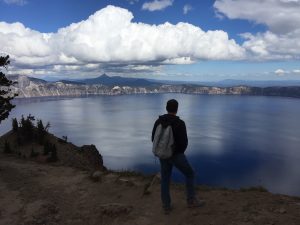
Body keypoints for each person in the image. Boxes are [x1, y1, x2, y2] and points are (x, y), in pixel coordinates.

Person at [151, 99, 205, 214]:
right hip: (176, 155)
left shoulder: (158, 121)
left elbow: (153, 139)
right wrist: (176, 152)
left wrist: (163, 150)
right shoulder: (179, 123)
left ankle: (166, 206)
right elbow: (183, 143)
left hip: (162, 154)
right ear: (176, 109)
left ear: (166, 108)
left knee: (165, 179)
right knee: (190, 174)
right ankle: (191, 201)